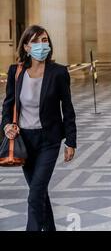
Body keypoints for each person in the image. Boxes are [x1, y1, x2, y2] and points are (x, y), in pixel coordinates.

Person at [1, 25, 77, 231]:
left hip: (49, 141)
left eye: (45, 40)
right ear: (26, 47)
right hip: (25, 141)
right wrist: (7, 124)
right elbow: (8, 104)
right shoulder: (16, 71)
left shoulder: (58, 72)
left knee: (35, 194)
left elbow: (67, 108)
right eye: (35, 41)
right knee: (40, 192)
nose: (41, 45)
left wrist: (71, 141)